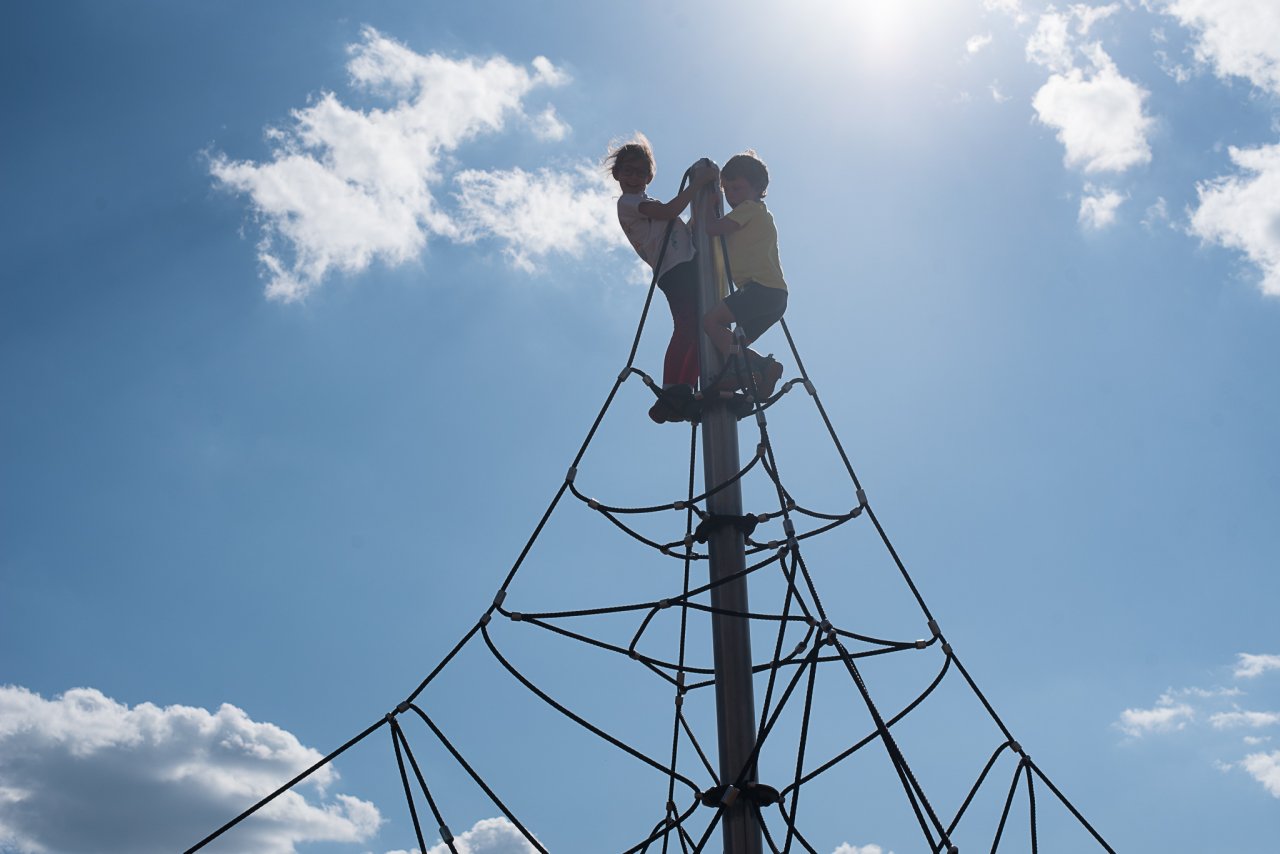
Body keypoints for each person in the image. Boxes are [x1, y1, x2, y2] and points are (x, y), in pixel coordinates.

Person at [607, 134, 717, 423]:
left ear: (649, 177)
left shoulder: (645, 201)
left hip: (686, 262)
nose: (634, 177)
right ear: (617, 174)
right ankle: (670, 390)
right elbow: (670, 211)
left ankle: (685, 390)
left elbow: (680, 229)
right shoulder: (629, 202)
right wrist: (698, 185)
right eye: (628, 171)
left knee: (702, 328)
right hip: (673, 269)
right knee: (688, 325)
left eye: (640, 172)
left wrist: (705, 208)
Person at [700, 150, 787, 400]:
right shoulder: (762, 214)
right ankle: (759, 369)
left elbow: (713, 229)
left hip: (759, 289)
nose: (730, 196)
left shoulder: (749, 208)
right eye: (726, 190)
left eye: (736, 188)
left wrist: (708, 204)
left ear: (758, 188)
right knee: (733, 345)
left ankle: (750, 368)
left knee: (711, 322)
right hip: (776, 296)